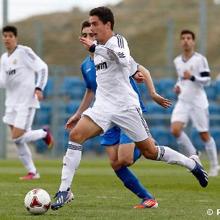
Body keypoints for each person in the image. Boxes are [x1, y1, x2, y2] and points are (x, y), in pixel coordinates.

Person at [51, 7, 208, 210]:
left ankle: (192, 164)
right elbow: (130, 65)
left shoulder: (118, 41)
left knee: (150, 152)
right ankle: (64, 190)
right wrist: (134, 73)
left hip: (126, 107)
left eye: (94, 24)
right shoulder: (96, 50)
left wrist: (96, 50)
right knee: (76, 136)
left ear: (108, 25)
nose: (91, 28)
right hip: (103, 106)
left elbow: (122, 57)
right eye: (89, 25)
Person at [64, 20, 172, 209]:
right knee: (115, 163)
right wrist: (78, 113)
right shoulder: (86, 66)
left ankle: (148, 143)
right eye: (85, 35)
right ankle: (147, 198)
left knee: (126, 158)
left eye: (92, 34)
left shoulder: (112, 51)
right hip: (104, 112)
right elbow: (91, 90)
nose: (89, 38)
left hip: (125, 109)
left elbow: (140, 69)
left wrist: (152, 93)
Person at [0, 25, 54, 180]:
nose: (7, 38)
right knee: (18, 141)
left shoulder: (24, 52)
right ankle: (33, 172)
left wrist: (39, 88)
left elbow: (42, 68)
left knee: (17, 137)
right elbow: (3, 82)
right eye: (5, 36)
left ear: (15, 38)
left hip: (26, 101)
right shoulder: (4, 58)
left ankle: (44, 133)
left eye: (10, 36)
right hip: (11, 104)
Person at [171, 30, 219, 177]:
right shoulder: (177, 61)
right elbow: (181, 78)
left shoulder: (200, 59)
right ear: (180, 42)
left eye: (189, 38)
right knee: (175, 129)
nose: (186, 40)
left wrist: (192, 77)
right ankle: (194, 155)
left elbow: (207, 80)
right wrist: (178, 86)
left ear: (193, 41)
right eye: (183, 38)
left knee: (204, 134)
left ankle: (215, 166)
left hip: (198, 102)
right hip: (183, 101)